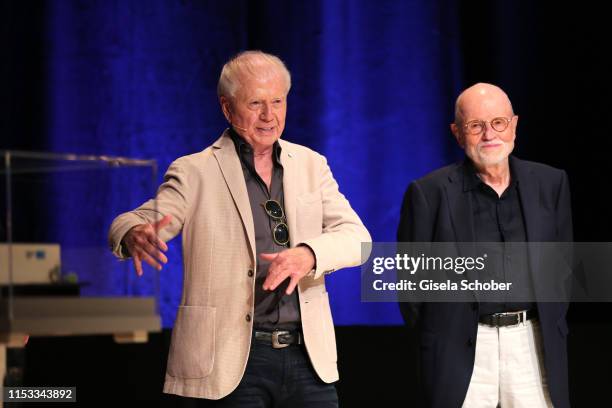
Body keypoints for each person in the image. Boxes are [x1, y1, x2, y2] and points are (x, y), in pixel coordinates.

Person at [108, 51, 371, 407]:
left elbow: (359, 240)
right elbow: (136, 220)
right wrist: (132, 234)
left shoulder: (311, 164)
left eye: (277, 101)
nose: (269, 115)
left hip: (307, 358)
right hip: (230, 363)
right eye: (255, 103)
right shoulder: (194, 171)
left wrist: (309, 255)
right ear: (227, 109)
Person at [397, 83, 572, 407]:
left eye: (498, 123)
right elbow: (410, 290)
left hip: (531, 344)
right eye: (476, 126)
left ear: (514, 125)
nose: (489, 134)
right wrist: (442, 334)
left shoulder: (551, 183)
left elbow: (563, 269)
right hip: (460, 351)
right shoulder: (428, 193)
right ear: (457, 133)